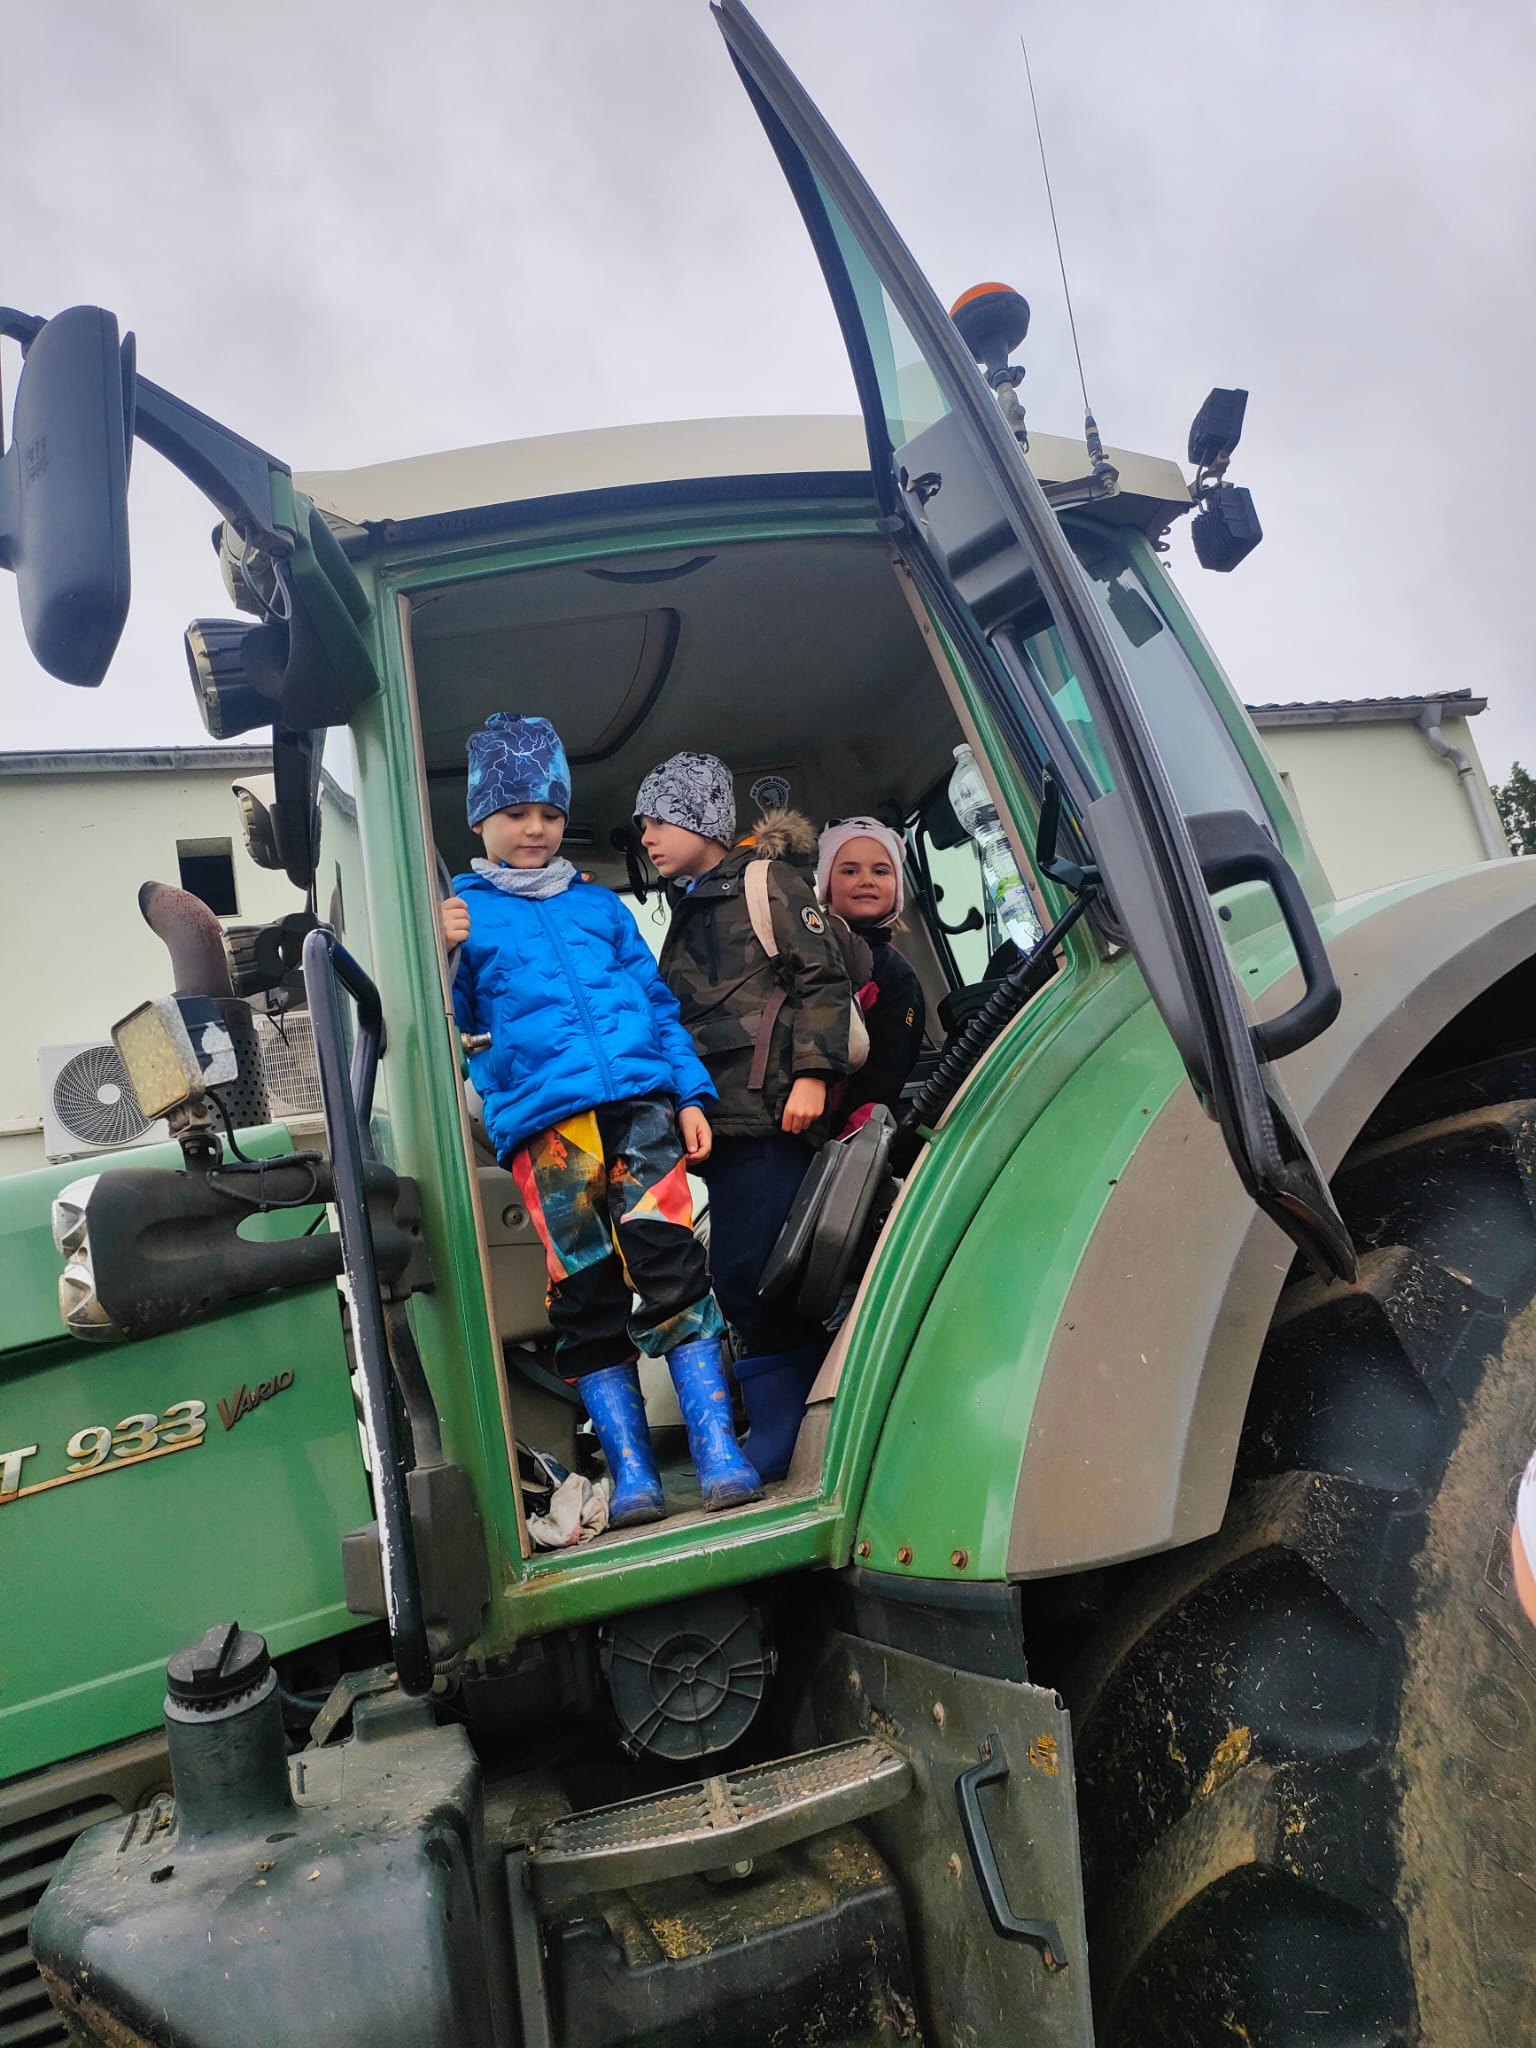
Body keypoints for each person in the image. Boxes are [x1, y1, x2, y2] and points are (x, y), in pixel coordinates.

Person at [442, 713, 761, 1524]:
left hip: (641, 1109)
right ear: (481, 819)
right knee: (584, 1291)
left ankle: (719, 1450)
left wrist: (689, 1093)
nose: (536, 829)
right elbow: (450, 1018)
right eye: (516, 813)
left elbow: (656, 1006)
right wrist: (438, 952)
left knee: (671, 1264)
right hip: (550, 1129)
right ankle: (633, 1473)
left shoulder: (599, 908)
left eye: (549, 813)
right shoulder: (463, 916)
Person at [635, 753, 853, 1481]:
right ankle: (784, 1415)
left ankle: (795, 1422)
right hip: (726, 1125)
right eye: (643, 824)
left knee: (759, 1273)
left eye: (660, 820)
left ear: (703, 821)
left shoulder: (766, 883)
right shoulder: (695, 905)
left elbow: (821, 975)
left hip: (773, 1114)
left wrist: (814, 1076)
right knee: (742, 1272)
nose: (647, 836)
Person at [816, 817, 927, 1129]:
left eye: (880, 871)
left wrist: (854, 1135)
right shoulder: (805, 953)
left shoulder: (895, 974)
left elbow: (886, 1071)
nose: (866, 880)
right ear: (826, 885)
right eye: (850, 871)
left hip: (846, 1127)